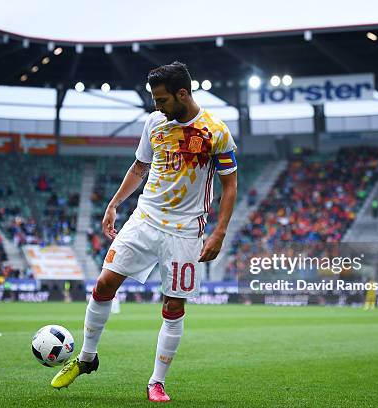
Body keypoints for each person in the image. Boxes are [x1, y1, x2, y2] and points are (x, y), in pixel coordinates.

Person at [50, 61, 238, 402]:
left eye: (162, 100)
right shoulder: (154, 123)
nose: (157, 106)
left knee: (173, 306)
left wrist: (219, 232)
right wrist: (114, 203)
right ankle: (87, 358)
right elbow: (140, 166)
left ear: (183, 94)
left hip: (185, 231)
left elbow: (230, 186)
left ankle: (156, 381)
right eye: (154, 99)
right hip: (146, 219)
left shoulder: (216, 132)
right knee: (104, 283)